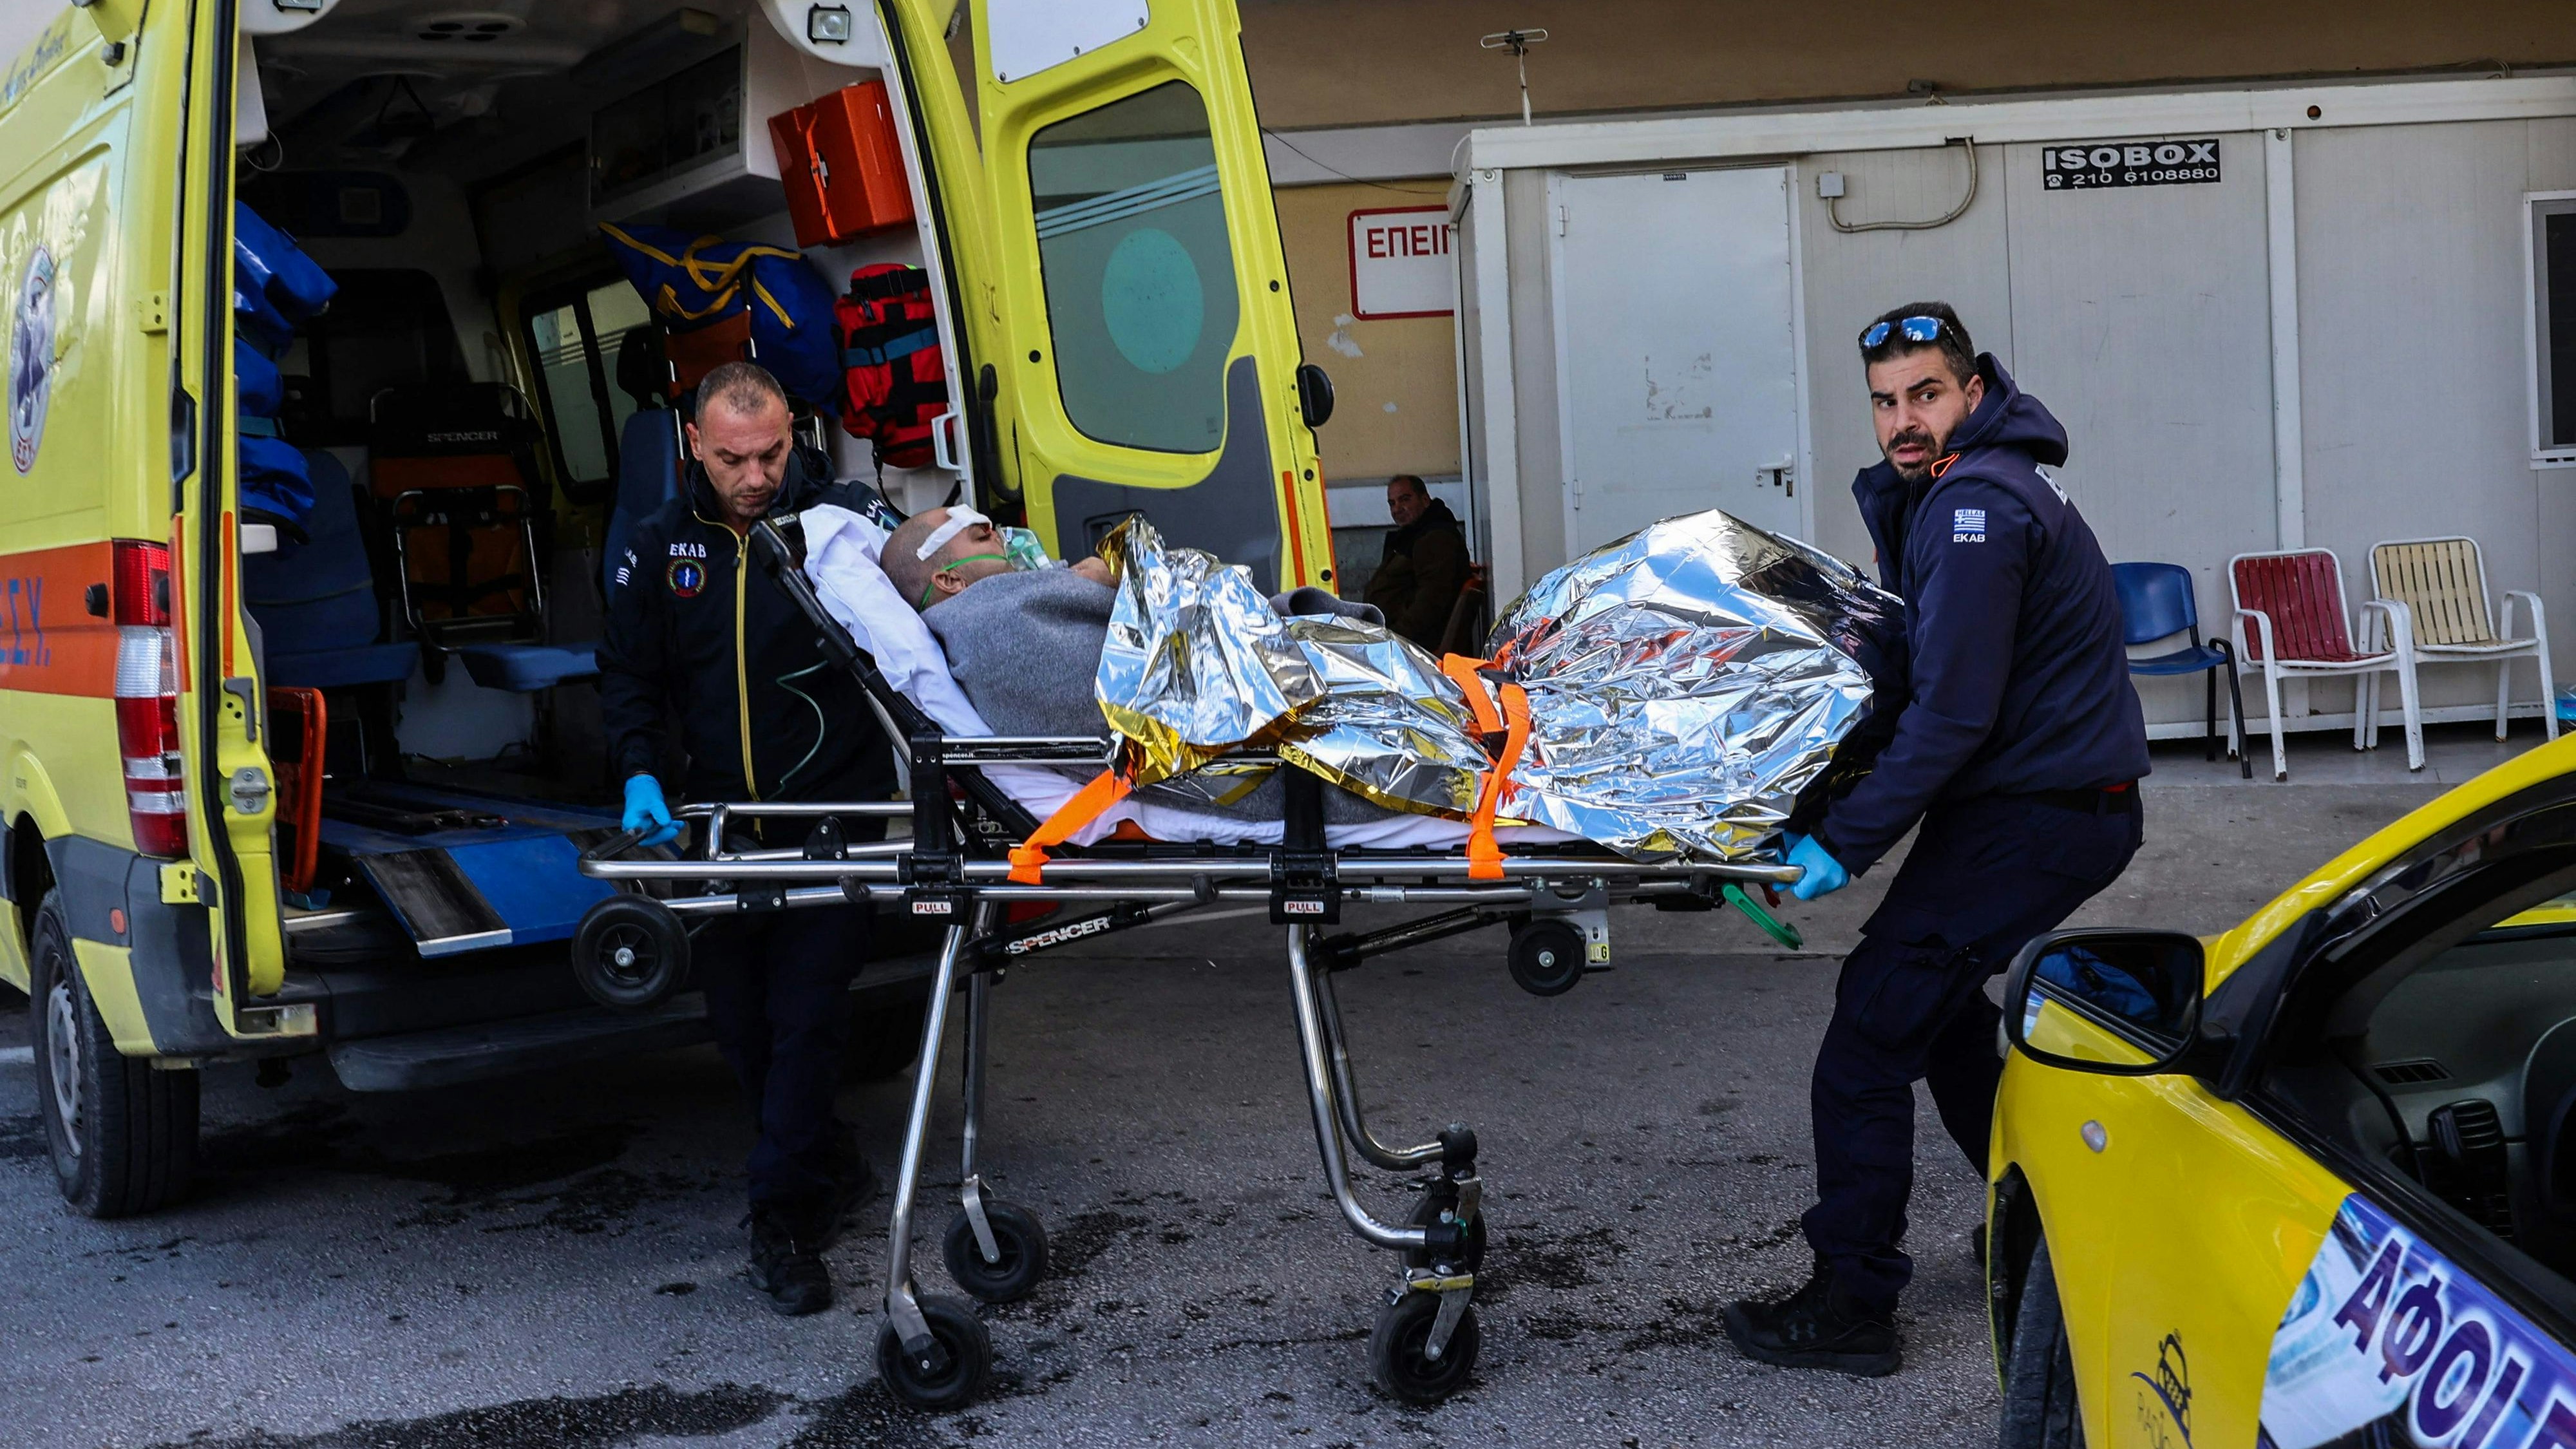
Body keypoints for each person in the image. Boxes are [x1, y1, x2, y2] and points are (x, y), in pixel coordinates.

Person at [1720, 303, 2149, 1378]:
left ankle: (1854, 1302)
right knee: (1940, 1012)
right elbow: (1915, 682)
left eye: (1925, 394)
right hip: (2045, 804)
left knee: (1870, 1033)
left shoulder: (1976, 510)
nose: (1902, 420)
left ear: (1972, 391)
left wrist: (1844, 842)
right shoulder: (1964, 489)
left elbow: (1952, 713)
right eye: (1885, 402)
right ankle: (2053, 1224)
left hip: (2042, 816)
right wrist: (1805, 801)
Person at [598, 361, 896, 1317]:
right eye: (733, 460)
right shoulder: (658, 547)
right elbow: (630, 677)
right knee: (741, 1026)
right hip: (719, 827)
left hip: (831, 820)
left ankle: (785, 1225)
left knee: (807, 1017)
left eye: (771, 453)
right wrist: (640, 769)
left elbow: (930, 613)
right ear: (694, 443)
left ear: (792, 433)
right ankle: (831, 1160)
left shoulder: (840, 525)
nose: (756, 476)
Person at [1364, 475, 1470, 652]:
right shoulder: (1412, 536)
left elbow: (1431, 601)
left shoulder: (1436, 538)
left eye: (1405, 499)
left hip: (1411, 644)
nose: (1397, 509)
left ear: (1425, 500)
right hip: (1390, 634)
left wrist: (1393, 638)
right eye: (1392, 503)